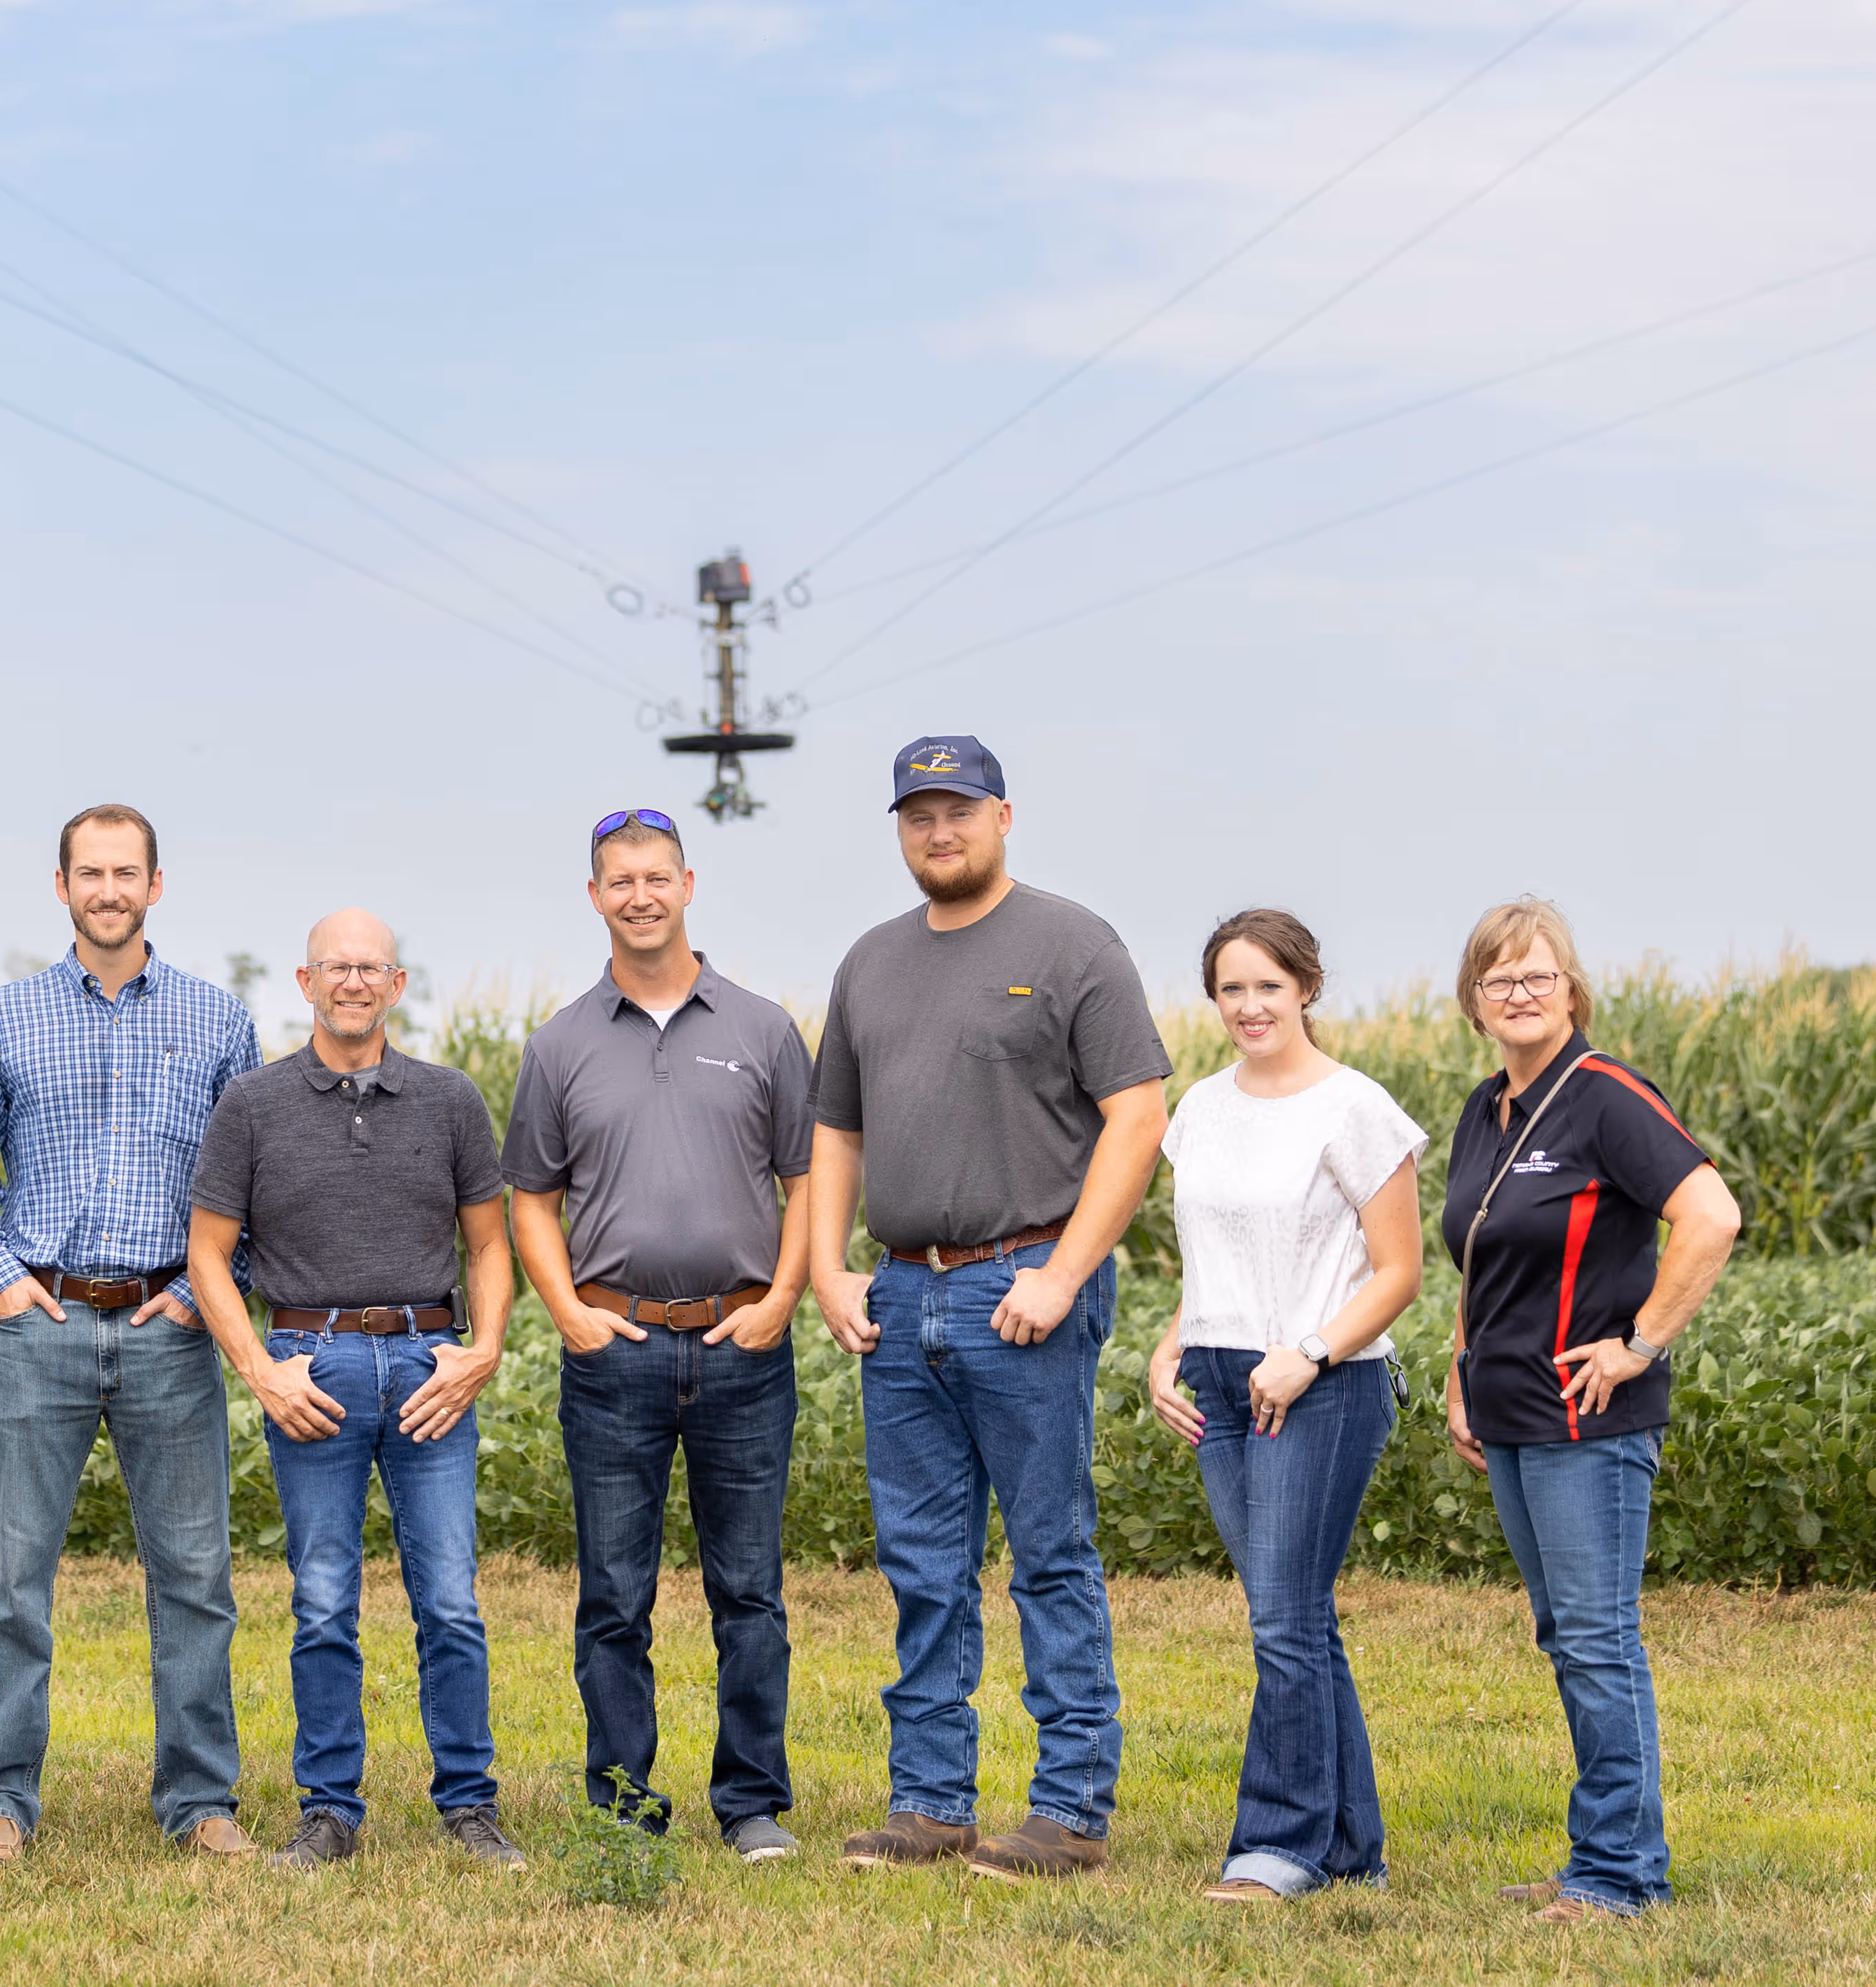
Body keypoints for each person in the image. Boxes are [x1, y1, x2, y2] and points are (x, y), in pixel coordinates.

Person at [806, 736, 1172, 1881]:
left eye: (957, 809)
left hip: (1023, 1289)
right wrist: (825, 1266)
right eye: (917, 813)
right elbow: (834, 1131)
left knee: (1049, 1553)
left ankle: (1070, 1810)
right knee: (921, 1561)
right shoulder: (869, 960)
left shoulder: (1072, 943)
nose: (938, 830)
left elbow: (1138, 1115)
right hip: (900, 1292)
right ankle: (929, 1802)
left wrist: (1061, 1273)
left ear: (1002, 816)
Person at [0, 804, 262, 1866]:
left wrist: (206, 1295)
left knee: (195, 1579)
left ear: (155, 885)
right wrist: (1, 1282)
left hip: (171, 1327)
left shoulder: (218, 1020)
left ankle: (200, 1800)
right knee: (13, 1578)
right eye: (91, 873)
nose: (109, 890)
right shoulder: (2, 1017)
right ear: (62, 885)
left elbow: (253, 1183)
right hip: (43, 1325)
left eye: (127, 873)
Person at [188, 909, 527, 1875]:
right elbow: (207, 1254)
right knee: (324, 1601)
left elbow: (489, 1243)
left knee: (450, 1600)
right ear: (305, 982)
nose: (352, 982)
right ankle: (329, 1810)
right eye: (335, 967)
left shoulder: (449, 1099)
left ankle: (469, 1804)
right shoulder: (252, 1104)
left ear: (396, 984)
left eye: (370, 968)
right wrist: (260, 1370)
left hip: (428, 1368)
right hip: (313, 1367)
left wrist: (483, 1349)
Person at [505, 808, 815, 1862]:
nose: (639, 896)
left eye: (656, 877)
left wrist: (782, 1299)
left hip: (743, 1348)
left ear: (688, 885)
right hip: (616, 1354)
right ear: (595, 897)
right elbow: (530, 1199)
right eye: (619, 880)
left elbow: (807, 1178)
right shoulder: (559, 1044)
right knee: (612, 1597)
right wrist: (568, 1313)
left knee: (750, 1593)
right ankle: (623, 1805)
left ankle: (752, 1803)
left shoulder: (764, 1030)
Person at [1437, 896, 1744, 1923]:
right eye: (1499, 979)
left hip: (1588, 1419)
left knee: (1599, 1640)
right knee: (1565, 1636)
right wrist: (1460, 1370)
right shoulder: (1484, 1109)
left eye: (1538, 975)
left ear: (1571, 990)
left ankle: (1618, 1874)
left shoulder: (1607, 1096)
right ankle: (1604, 1852)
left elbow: (1711, 1215)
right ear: (1474, 1001)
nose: (1519, 994)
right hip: (1510, 1412)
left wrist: (1639, 1343)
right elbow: (1481, 1256)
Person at [1142, 909, 1426, 1903]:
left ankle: (1280, 1844)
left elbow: (1399, 1272)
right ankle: (1349, 1847)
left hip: (1320, 1385)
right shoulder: (1200, 1108)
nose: (1250, 1006)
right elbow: (1211, 1254)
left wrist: (1307, 1355)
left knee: (1283, 1619)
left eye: (1269, 985)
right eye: (1232, 988)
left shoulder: (1355, 1108)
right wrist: (1172, 1344)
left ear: (1307, 986)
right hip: (1220, 1385)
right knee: (1293, 1614)